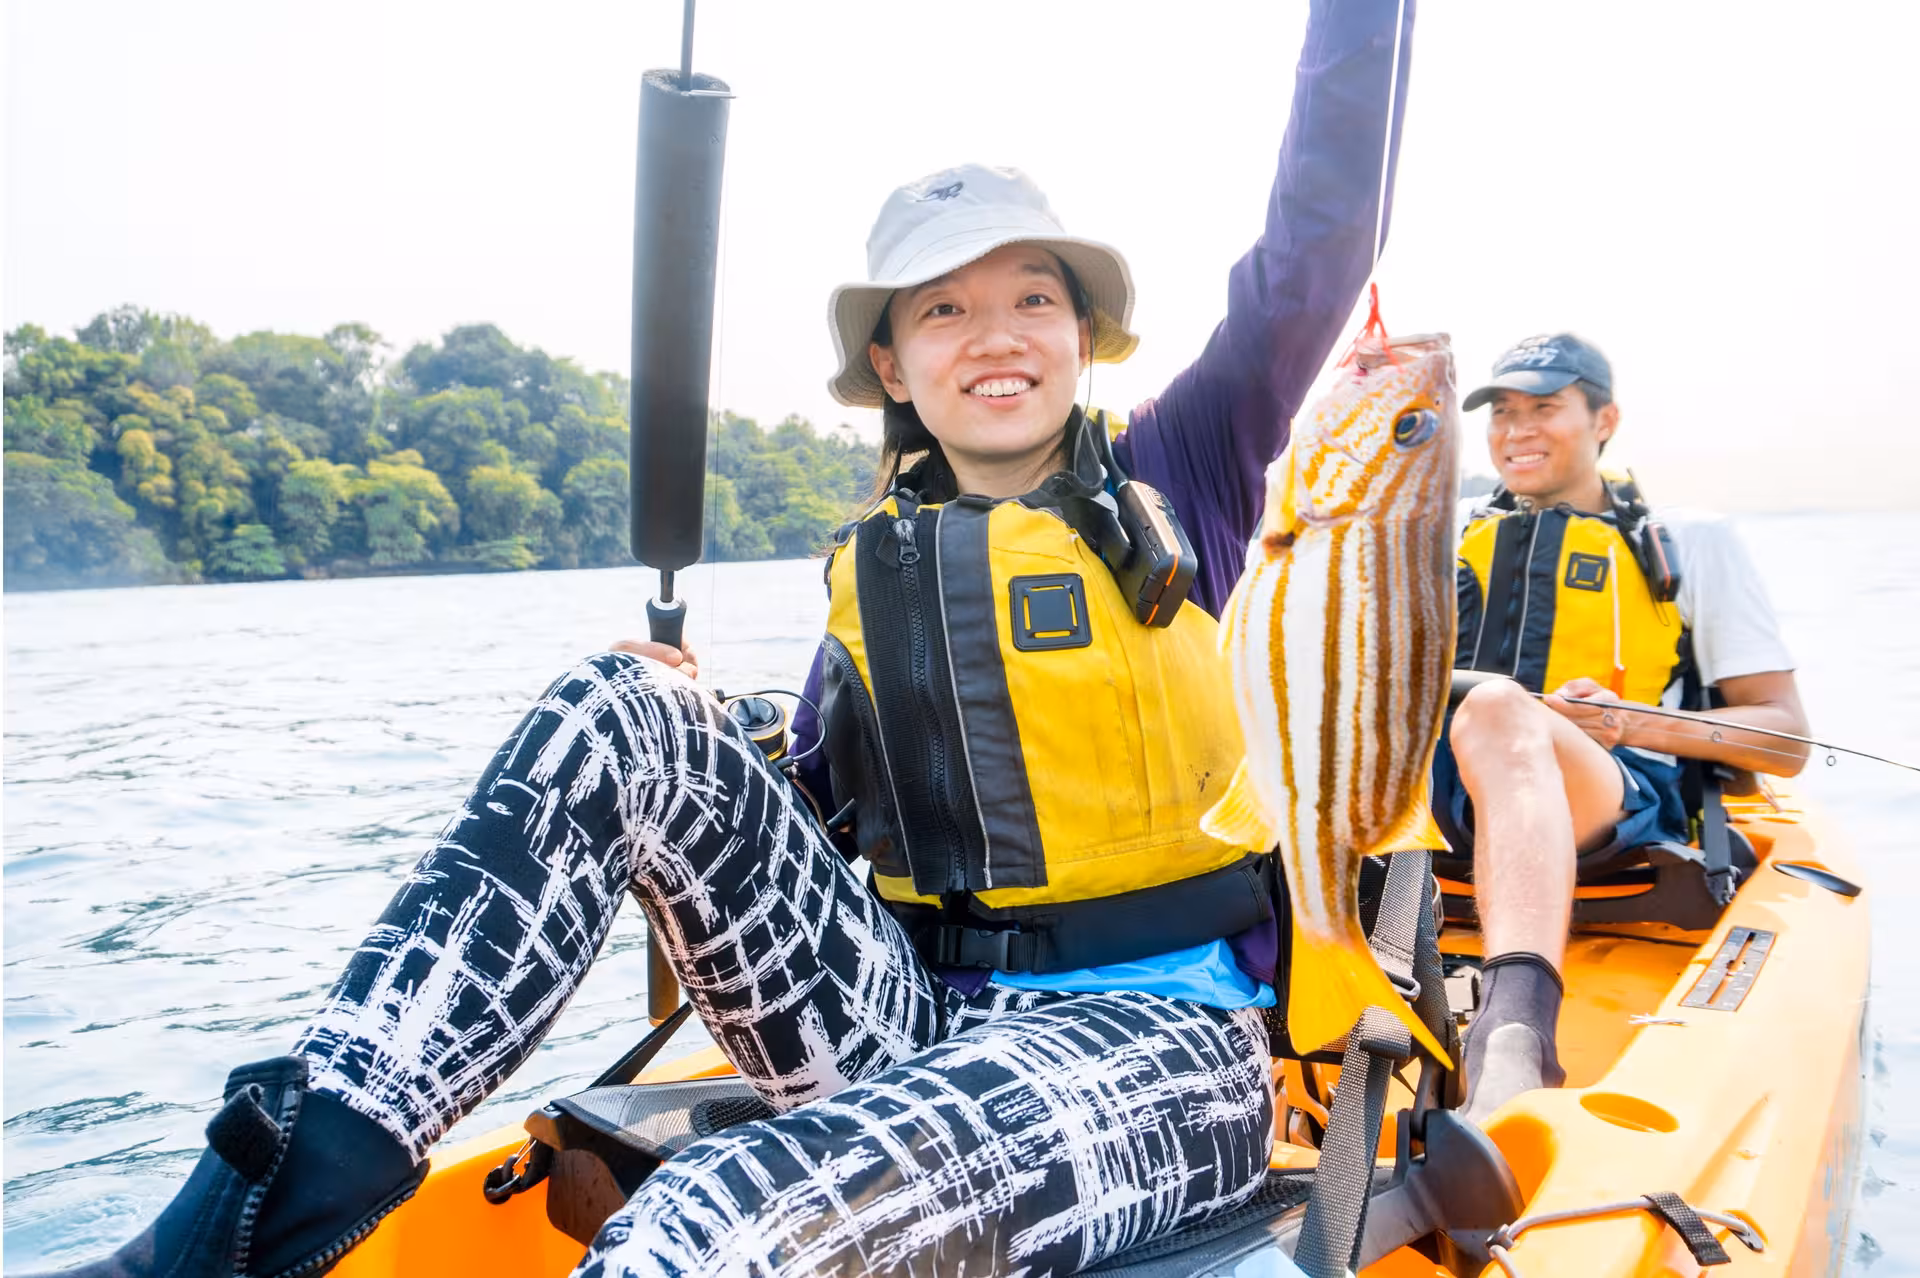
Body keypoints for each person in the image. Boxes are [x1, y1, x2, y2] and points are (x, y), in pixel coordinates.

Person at [35, 3, 1417, 1276]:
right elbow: (811, 797)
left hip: (1160, 1047)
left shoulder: (1197, 456)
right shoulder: (875, 563)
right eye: (944, 306)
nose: (995, 335)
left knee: (697, 1217)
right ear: (891, 362)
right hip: (910, 1020)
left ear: (1083, 332)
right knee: (617, 709)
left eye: (1031, 298)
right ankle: (247, 1223)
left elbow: (1323, 225)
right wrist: (707, 727)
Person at [1438, 333, 1810, 1124]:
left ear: (1604, 418)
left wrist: (1626, 720)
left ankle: (1513, 1039)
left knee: (1504, 711)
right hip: (1443, 791)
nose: (1517, 431)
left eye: (1545, 409)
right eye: (1502, 413)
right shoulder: (1450, 530)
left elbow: (1784, 737)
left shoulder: (1689, 541)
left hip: (1605, 793)